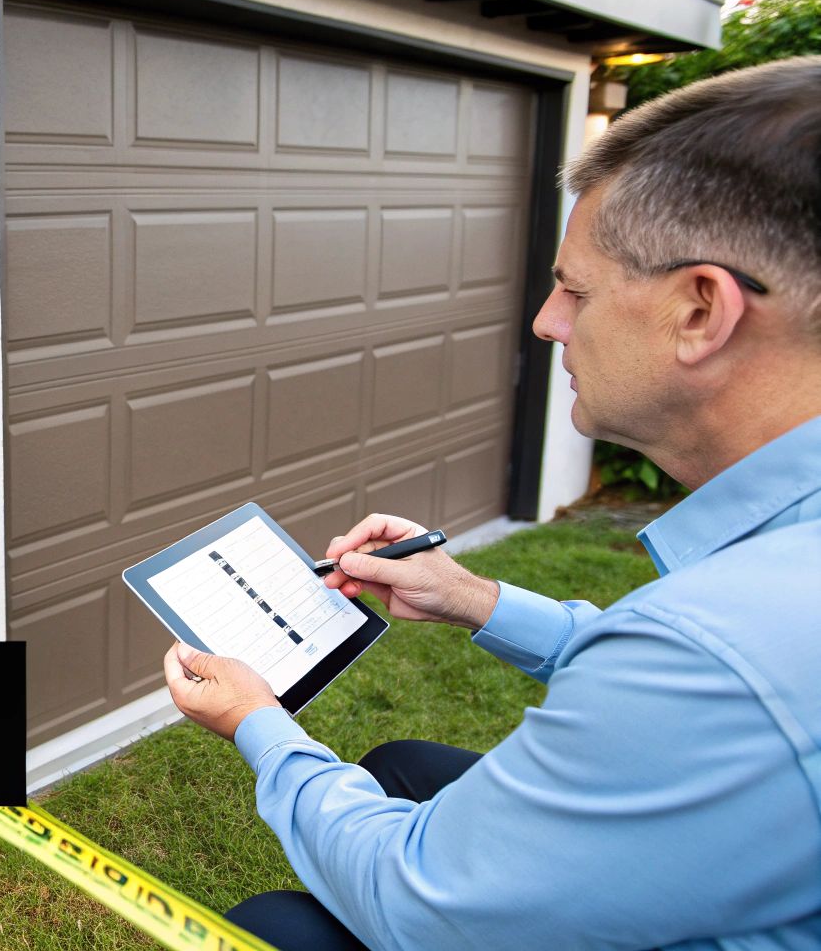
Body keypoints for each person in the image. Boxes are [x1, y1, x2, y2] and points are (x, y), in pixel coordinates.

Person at [164, 54, 821, 951]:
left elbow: (415, 904)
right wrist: (472, 597)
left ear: (700, 311)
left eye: (576, 290)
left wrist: (257, 723)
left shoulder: (721, 646)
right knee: (403, 767)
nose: (548, 321)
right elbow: (677, 689)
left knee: (274, 929)